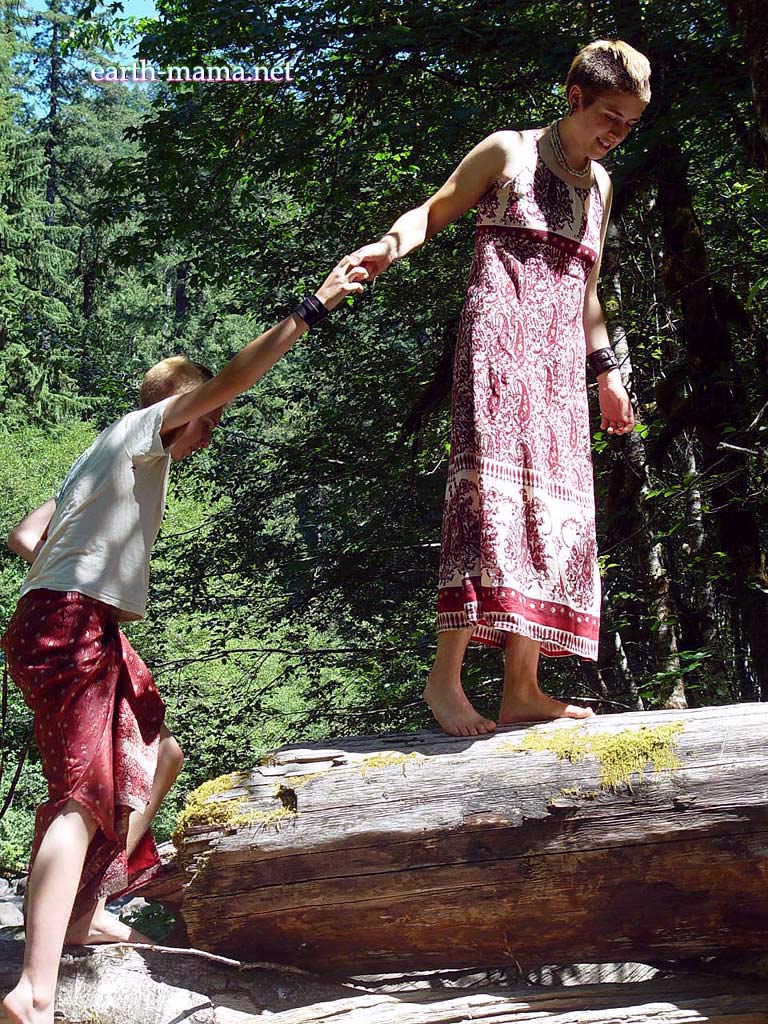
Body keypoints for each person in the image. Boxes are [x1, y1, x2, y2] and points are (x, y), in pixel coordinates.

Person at [0, 255, 367, 1024]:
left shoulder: (101, 457)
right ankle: (33, 991)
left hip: (70, 618)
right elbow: (235, 376)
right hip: (70, 621)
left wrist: (71, 573)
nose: (211, 431)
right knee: (81, 798)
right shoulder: (146, 428)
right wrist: (314, 306)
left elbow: (24, 533)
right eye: (210, 418)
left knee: (159, 748)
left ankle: (84, 907)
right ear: (181, 408)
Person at [350, 40, 651, 737]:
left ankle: (522, 688)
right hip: (496, 348)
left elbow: (587, 289)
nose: (616, 133)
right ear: (574, 98)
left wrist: (607, 372)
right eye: (609, 116)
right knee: (488, 500)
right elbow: (432, 212)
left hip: (558, 368)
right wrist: (387, 248)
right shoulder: (508, 152)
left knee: (551, 512)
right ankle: (445, 678)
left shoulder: (601, 187)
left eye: (629, 124)